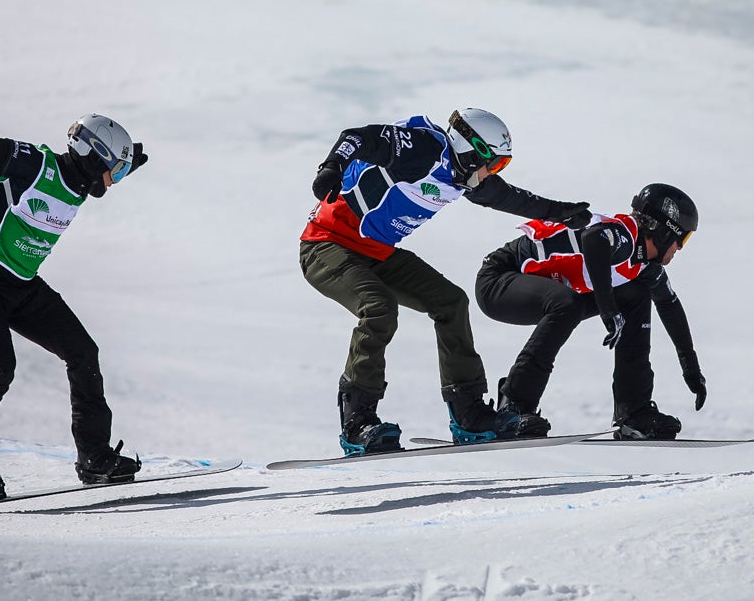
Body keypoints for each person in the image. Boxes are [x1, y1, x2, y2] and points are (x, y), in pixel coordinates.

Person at [300, 108, 593, 455]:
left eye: (500, 167)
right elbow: (357, 137)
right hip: (326, 245)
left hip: (375, 253)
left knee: (450, 302)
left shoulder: (460, 177)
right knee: (378, 308)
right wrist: (331, 166)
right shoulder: (422, 149)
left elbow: (511, 198)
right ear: (472, 151)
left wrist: (560, 213)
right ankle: (357, 422)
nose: (491, 174)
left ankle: (468, 414)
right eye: (494, 164)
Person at [0, 113, 149, 503]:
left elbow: (92, 178)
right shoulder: (37, 164)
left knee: (83, 352)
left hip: (21, 285)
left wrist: (125, 164)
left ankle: (94, 458)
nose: (114, 181)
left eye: (121, 174)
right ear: (93, 156)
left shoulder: (79, 180)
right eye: (115, 171)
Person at [474, 183, 708, 440]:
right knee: (568, 303)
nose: (680, 248)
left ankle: (633, 411)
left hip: (546, 296)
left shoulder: (644, 266)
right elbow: (592, 238)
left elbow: (670, 306)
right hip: (497, 281)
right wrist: (608, 309)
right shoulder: (624, 235)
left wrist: (691, 369)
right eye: (683, 238)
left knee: (635, 295)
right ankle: (514, 406)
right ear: (664, 231)